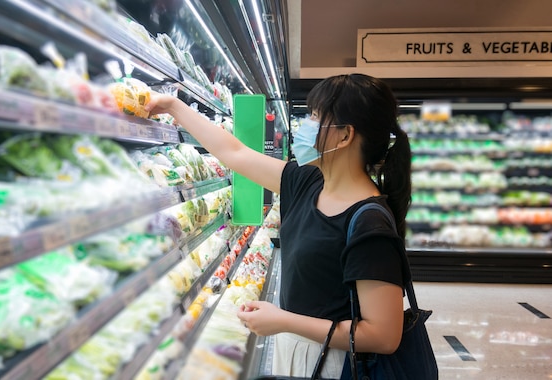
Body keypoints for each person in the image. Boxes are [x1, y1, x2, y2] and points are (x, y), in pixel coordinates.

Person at [144, 73, 412, 378]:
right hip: (300, 348)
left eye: (315, 116)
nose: (305, 126)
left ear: (345, 135)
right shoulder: (308, 180)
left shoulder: (369, 222)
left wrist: (285, 320)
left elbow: (384, 336)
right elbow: (236, 154)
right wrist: (172, 105)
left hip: (337, 364)